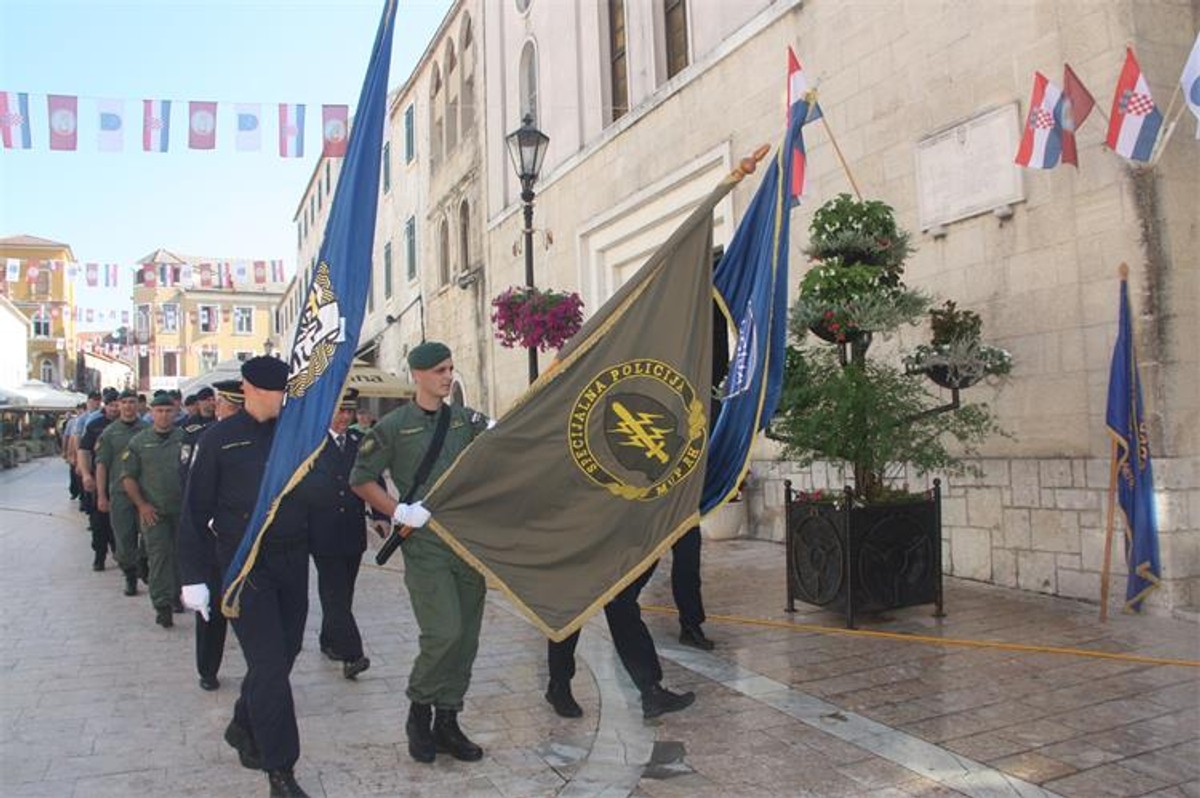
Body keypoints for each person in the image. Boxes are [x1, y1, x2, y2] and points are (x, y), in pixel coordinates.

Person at [351, 341, 489, 765]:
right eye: (439, 370)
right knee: (443, 632)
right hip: (426, 546)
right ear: (418, 375)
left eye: (450, 369)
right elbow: (361, 478)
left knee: (465, 638)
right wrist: (397, 510)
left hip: (470, 543)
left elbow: (505, 445)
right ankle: (419, 710)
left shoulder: (466, 420)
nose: (447, 377)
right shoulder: (393, 427)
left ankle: (448, 720)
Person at [178, 356, 310, 797]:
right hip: (244, 566)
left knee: (283, 657)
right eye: (276, 392)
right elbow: (194, 512)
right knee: (270, 666)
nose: (283, 399)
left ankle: (241, 722)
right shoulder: (219, 440)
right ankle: (281, 771)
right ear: (250, 389)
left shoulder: (294, 436)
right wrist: (193, 576)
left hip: (292, 563)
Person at [545, 560, 696, 720]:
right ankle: (559, 686)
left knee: (623, 607)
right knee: (570, 611)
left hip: (607, 551)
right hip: (575, 552)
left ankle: (651, 690)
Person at [300, 388, 379, 680]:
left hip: (352, 530)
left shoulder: (359, 441)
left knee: (344, 592)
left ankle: (328, 639)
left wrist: (381, 515)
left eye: (349, 411)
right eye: (340, 411)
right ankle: (352, 654)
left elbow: (374, 476)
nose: (345, 417)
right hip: (322, 531)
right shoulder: (312, 444)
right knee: (334, 593)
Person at [181, 378, 242, 692]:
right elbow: (190, 487)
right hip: (211, 538)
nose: (216, 407)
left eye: (221, 403)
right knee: (212, 610)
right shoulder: (205, 439)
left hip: (241, 539)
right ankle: (207, 668)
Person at [120, 393, 185, 628]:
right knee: (159, 558)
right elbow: (128, 478)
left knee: (181, 555)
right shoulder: (139, 442)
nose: (164, 415)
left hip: (181, 510)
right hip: (153, 511)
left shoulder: (184, 438)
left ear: (175, 412)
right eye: (159, 411)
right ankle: (162, 605)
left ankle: (177, 594)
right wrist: (142, 505)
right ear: (151, 412)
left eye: (168, 411)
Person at [94, 388, 148, 596]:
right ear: (118, 405)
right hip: (120, 494)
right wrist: (101, 495)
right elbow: (101, 465)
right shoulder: (110, 433)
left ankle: (143, 562)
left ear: (137, 404)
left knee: (149, 537)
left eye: (132, 402)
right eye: (124, 402)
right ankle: (130, 575)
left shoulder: (147, 429)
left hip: (145, 493)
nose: (128, 406)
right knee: (124, 539)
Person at [77, 389, 120, 572]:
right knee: (99, 523)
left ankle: (122, 555)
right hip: (99, 481)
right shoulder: (95, 425)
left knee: (120, 523)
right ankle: (100, 556)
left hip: (122, 482)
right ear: (106, 405)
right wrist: (86, 474)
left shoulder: (131, 426)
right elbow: (84, 450)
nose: (115, 408)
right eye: (112, 405)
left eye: (117, 404)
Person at [672, 526, 714, 649]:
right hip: (651, 512)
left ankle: (690, 626)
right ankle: (624, 614)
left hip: (684, 514)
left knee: (688, 568)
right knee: (642, 569)